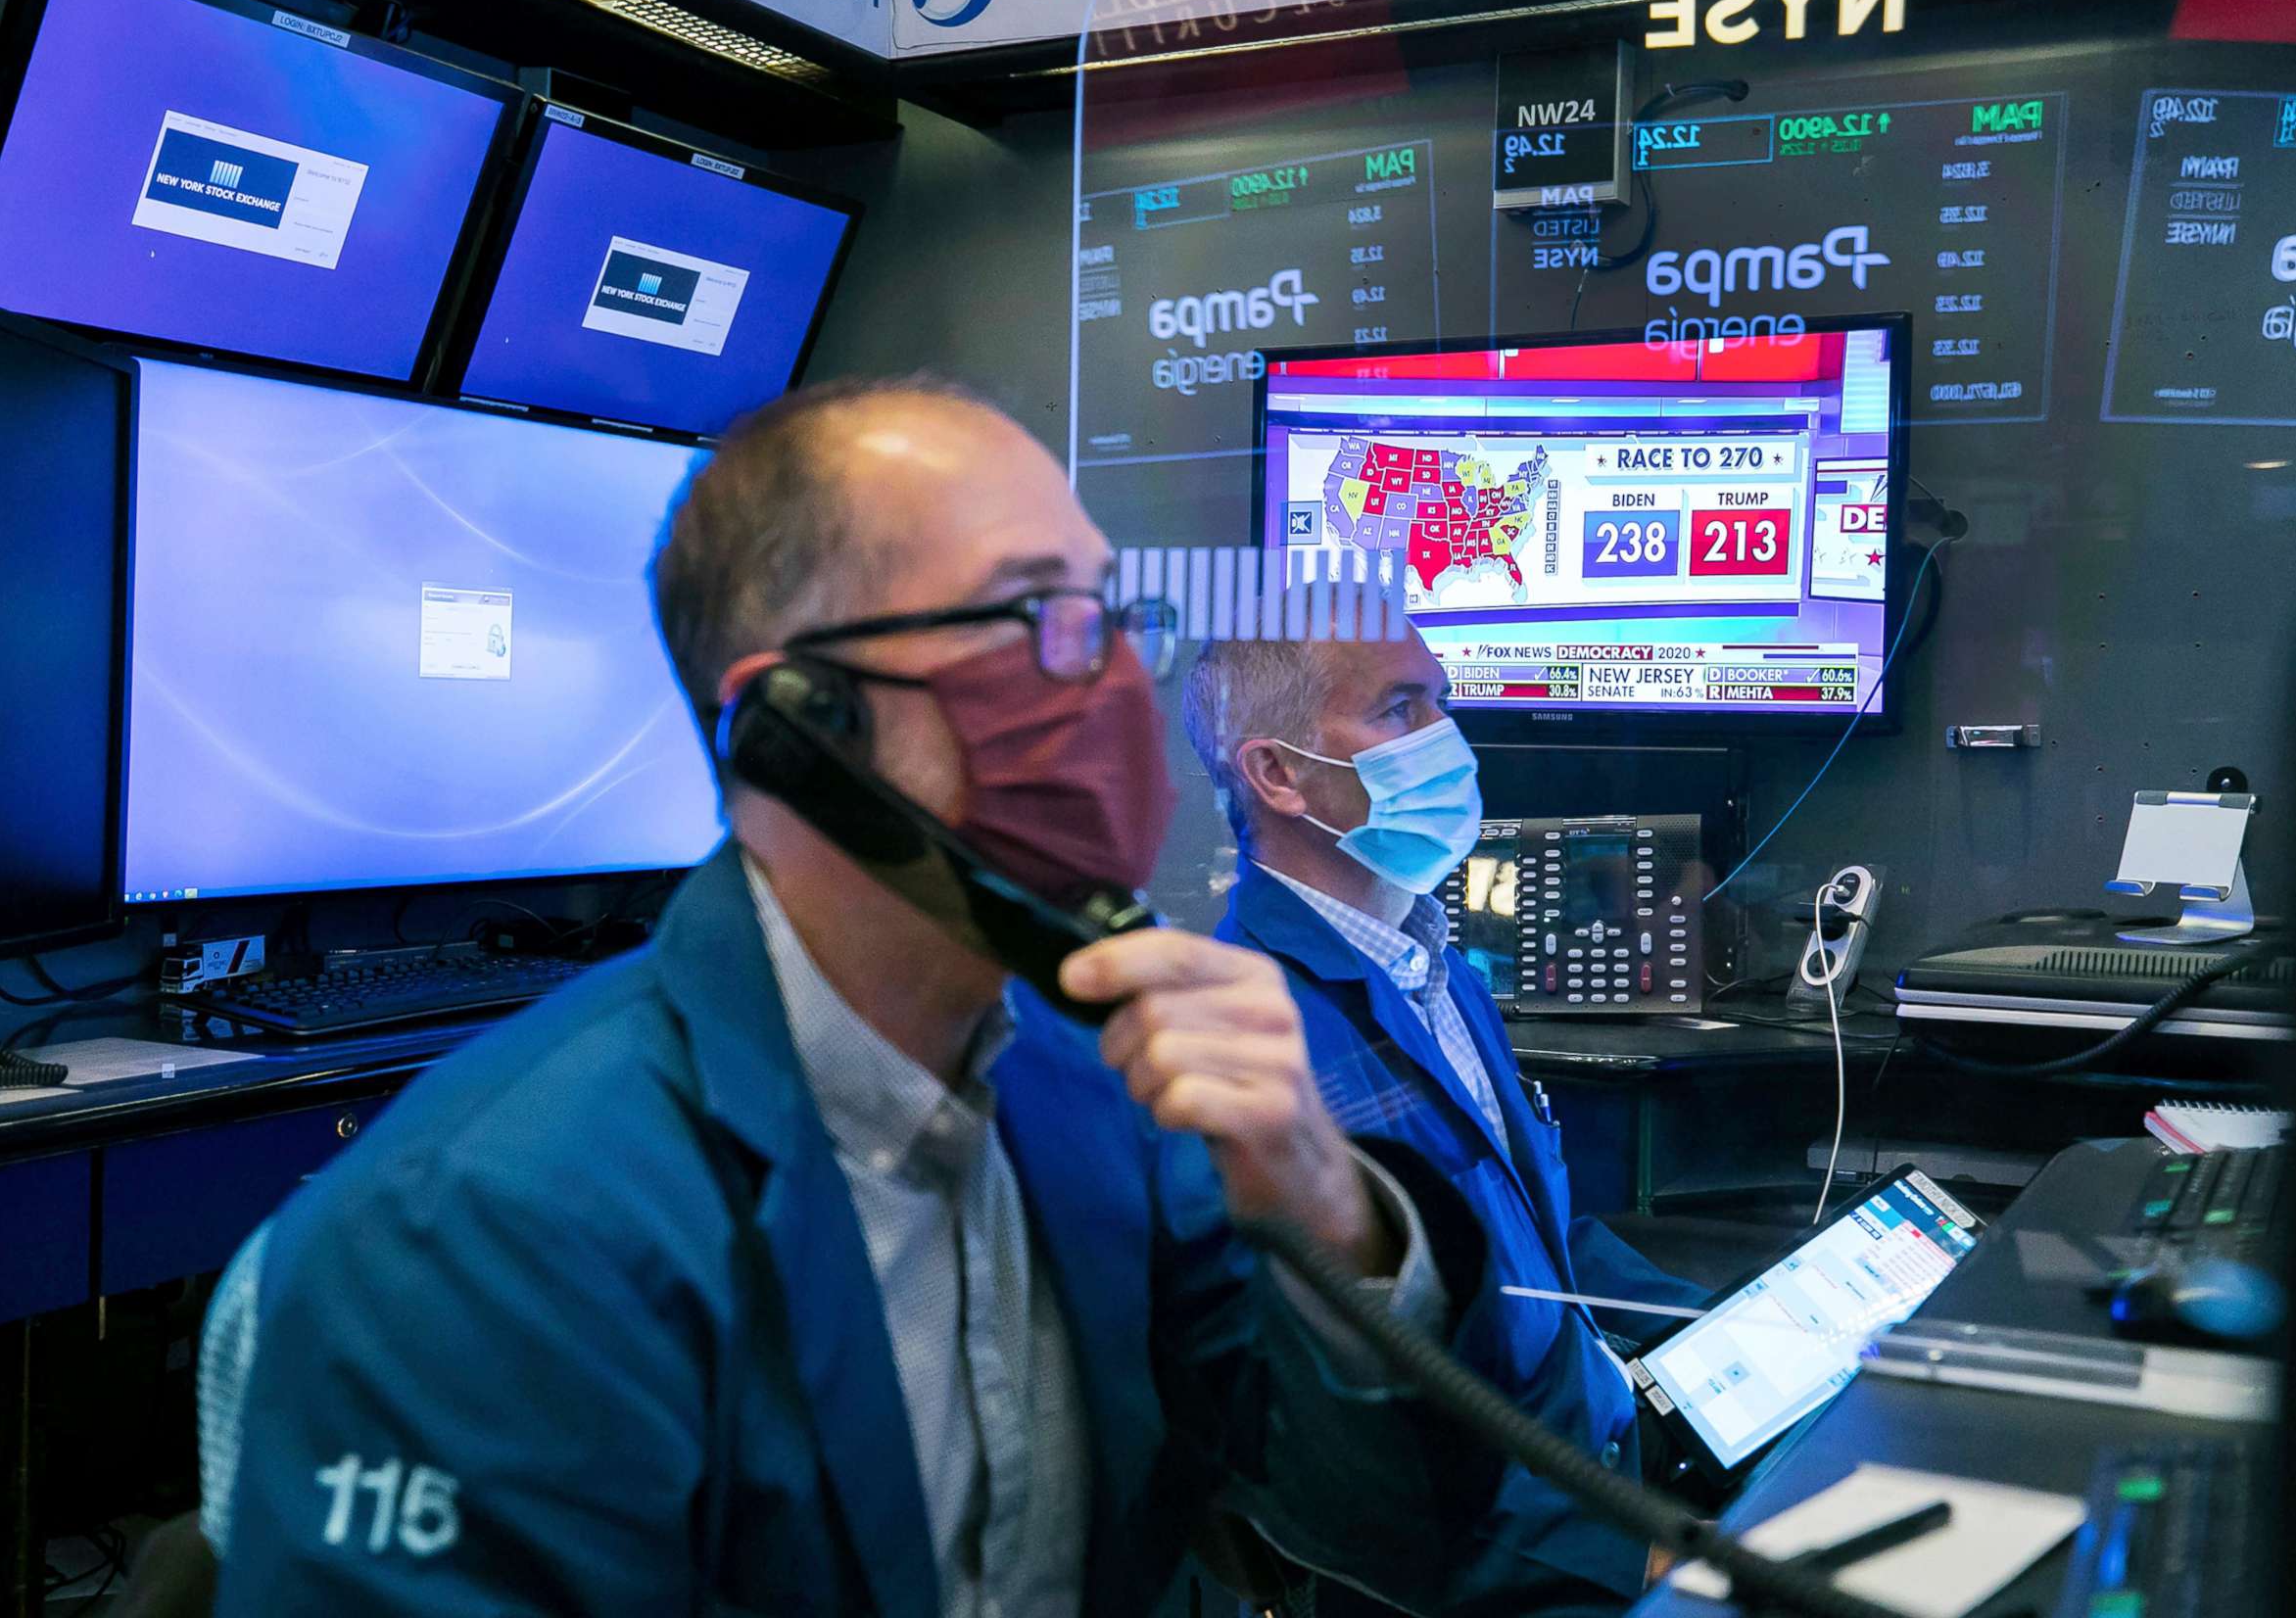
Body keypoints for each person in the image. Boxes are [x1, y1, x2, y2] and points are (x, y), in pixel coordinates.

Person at [199, 378, 1501, 1616]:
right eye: (1031, 618)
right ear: (799, 725)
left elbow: (1398, 1537)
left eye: (1109, 619)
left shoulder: (1114, 1094)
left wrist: (1328, 1211)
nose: (1106, 682)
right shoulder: (489, 1233)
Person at [1184, 629, 1707, 1617]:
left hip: (1590, 1491)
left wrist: (1756, 1329)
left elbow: (1534, 1251)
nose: (1449, 737)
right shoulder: (1251, 1042)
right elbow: (1344, 1443)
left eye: (1443, 700)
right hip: (1507, 1570)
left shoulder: (1429, 961)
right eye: (1400, 709)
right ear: (1278, 773)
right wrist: (1620, 1560)